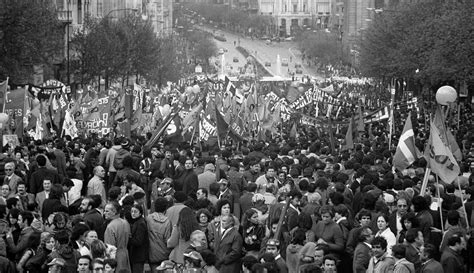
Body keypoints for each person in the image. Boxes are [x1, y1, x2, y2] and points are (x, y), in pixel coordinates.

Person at [103, 201, 131, 272]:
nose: (104, 213)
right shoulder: (125, 222)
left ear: (114, 212)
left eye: (107, 211)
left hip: (115, 257)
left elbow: (110, 248)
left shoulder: (110, 226)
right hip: (125, 254)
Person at [147, 197, 172, 272]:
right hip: (164, 253)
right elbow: (168, 240)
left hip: (151, 253)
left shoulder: (148, 218)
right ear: (166, 208)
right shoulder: (167, 222)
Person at [128, 204, 149, 273]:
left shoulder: (140, 223)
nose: (133, 214)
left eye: (135, 212)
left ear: (140, 213)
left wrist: (128, 239)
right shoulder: (137, 222)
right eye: (132, 211)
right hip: (137, 255)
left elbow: (138, 241)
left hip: (138, 255)